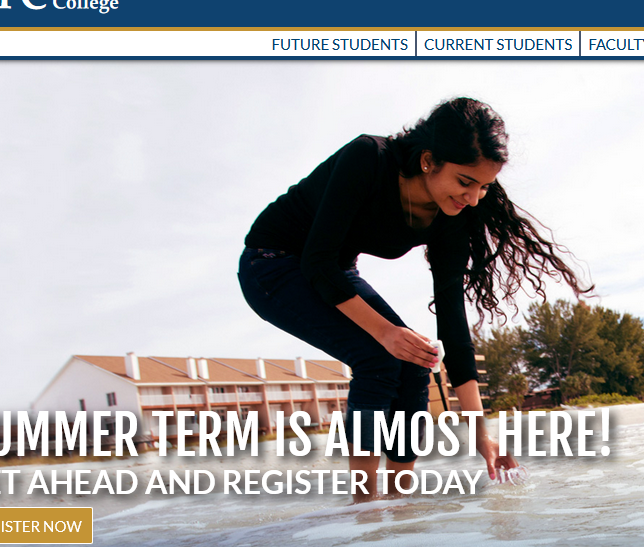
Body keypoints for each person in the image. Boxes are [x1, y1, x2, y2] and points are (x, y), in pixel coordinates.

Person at [237, 97, 591, 501]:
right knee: (380, 357)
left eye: (484, 186)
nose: (474, 198)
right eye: (464, 182)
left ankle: (398, 499)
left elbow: (453, 323)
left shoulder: (454, 216)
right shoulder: (368, 157)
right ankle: (365, 508)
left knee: (416, 362)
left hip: (336, 272)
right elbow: (318, 262)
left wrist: (482, 435)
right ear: (428, 161)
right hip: (272, 263)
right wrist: (387, 335)